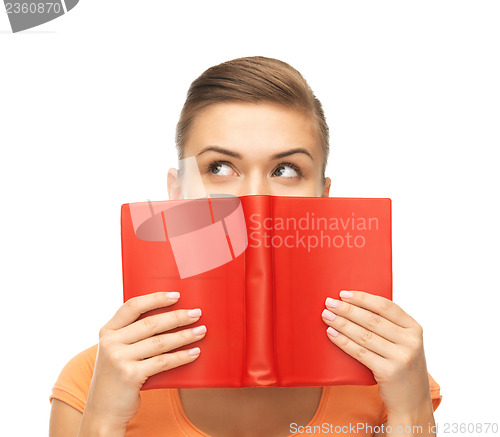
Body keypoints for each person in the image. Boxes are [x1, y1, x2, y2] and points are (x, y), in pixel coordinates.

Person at [49, 56, 442, 437]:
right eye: (219, 167)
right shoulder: (92, 381)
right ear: (176, 194)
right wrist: (102, 421)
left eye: (285, 170)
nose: (255, 199)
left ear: (325, 200)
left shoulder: (393, 375)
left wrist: (410, 412)